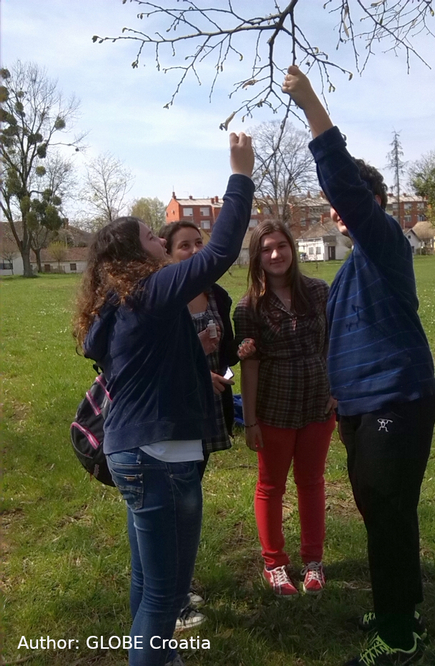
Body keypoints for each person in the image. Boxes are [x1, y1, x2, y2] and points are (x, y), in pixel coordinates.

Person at [73, 132, 254, 666]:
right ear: (135, 254)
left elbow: (142, 365)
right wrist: (240, 174)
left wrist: (191, 355)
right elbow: (221, 251)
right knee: (165, 595)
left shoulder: (117, 303)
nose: (161, 240)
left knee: (145, 579)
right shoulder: (150, 292)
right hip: (161, 457)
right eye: (153, 236)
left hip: (133, 451)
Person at [282, 66, 435, 665]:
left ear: (370, 205)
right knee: (383, 510)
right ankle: (404, 607)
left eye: (346, 202)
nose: (338, 211)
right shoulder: (348, 274)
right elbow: (334, 340)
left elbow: (344, 184)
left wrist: (311, 104)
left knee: (387, 506)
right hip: (359, 407)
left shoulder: (387, 246)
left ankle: (398, 637)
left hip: (396, 400)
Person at [233, 221, 336, 598]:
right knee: (271, 486)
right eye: (266, 249)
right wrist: (250, 421)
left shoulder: (319, 292)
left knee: (311, 483)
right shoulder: (249, 307)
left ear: (292, 249)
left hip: (317, 404)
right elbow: (250, 365)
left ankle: (313, 562)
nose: (275, 254)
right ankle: (274, 564)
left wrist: (336, 390)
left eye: (281, 246)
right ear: (256, 257)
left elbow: (333, 343)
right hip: (274, 408)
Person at [159, 220, 240, 631]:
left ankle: (178, 584)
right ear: (168, 254)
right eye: (183, 246)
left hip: (209, 412)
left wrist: (230, 362)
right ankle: (171, 594)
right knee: (176, 504)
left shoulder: (217, 295)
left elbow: (224, 352)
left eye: (198, 243)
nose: (192, 252)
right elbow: (156, 359)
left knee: (190, 498)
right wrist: (196, 363)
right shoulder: (164, 297)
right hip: (175, 414)